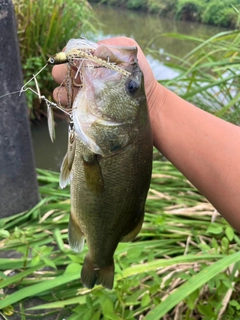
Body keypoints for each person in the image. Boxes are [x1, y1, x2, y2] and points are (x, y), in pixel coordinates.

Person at [52, 37, 240, 232]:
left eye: (130, 87)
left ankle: (99, 258)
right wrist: (153, 98)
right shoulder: (123, 130)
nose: (130, 70)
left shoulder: (114, 138)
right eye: (132, 87)